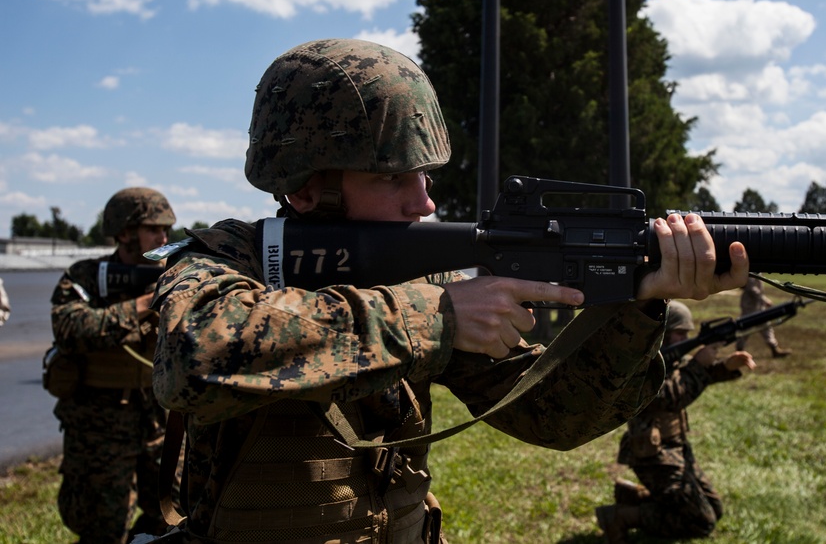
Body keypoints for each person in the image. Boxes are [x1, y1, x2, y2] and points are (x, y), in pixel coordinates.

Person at [148, 39, 750, 544]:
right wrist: (435, 319)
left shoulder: (421, 279)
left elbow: (552, 416)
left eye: (425, 175)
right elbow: (189, 357)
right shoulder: (234, 256)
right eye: (392, 178)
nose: (425, 202)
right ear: (306, 190)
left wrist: (640, 304)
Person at [49, 187, 176, 544]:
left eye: (166, 229)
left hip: (159, 420)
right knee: (103, 526)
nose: (163, 238)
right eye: (154, 229)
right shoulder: (87, 277)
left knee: (175, 517)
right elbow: (70, 328)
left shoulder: (175, 276)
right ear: (124, 233)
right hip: (98, 423)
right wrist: (143, 305)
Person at [595, 301, 756, 543]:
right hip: (653, 456)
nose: (684, 338)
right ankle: (621, 517)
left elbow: (693, 377)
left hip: (677, 450)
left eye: (686, 333)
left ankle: (634, 497)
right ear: (661, 334)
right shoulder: (641, 367)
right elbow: (671, 396)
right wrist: (698, 364)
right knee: (702, 522)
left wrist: (725, 366)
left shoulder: (671, 360)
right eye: (679, 333)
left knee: (715, 508)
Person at [735, 277, 791, 357]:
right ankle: (739, 351)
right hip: (750, 306)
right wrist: (764, 300)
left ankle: (774, 349)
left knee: (766, 327)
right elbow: (751, 288)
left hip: (759, 305)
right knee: (745, 328)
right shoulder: (752, 270)